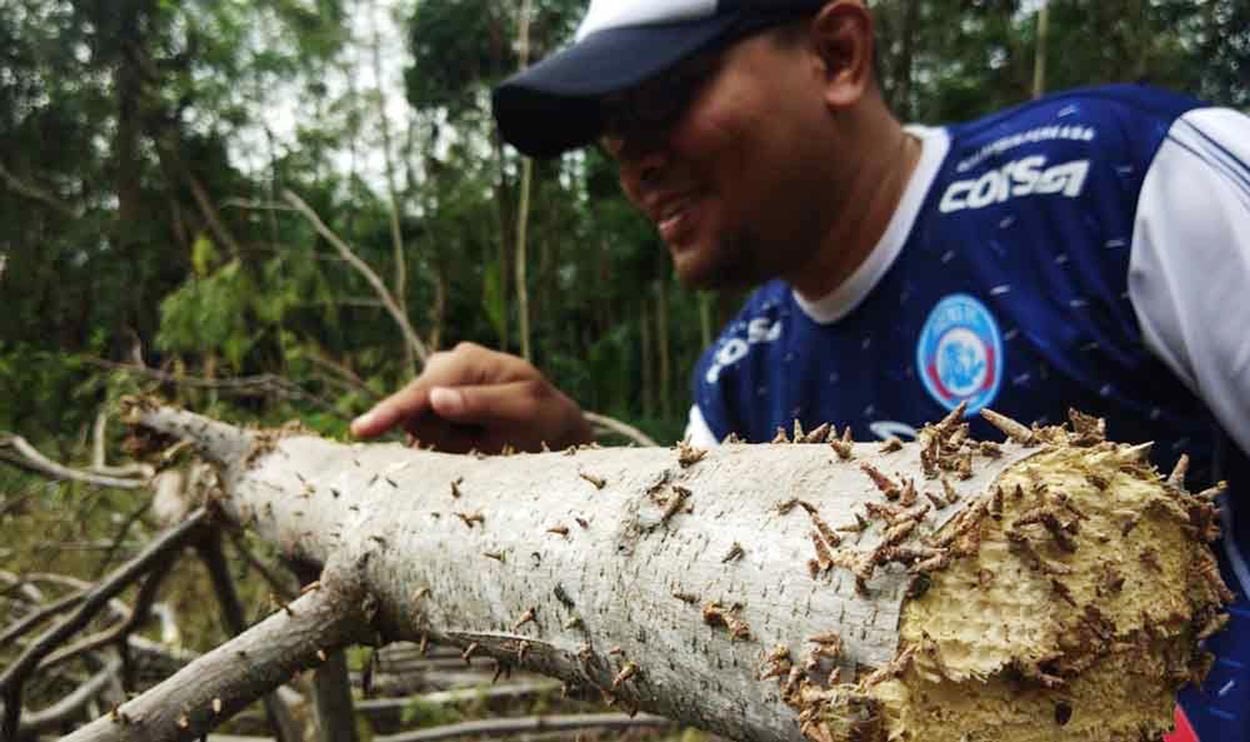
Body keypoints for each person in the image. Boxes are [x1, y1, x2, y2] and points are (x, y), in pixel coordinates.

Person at [350, 1, 1250, 738]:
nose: (632, 159)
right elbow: (706, 614)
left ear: (836, 53)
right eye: (613, 131)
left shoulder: (1121, 184)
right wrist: (566, 478)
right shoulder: (738, 379)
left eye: (662, 98)